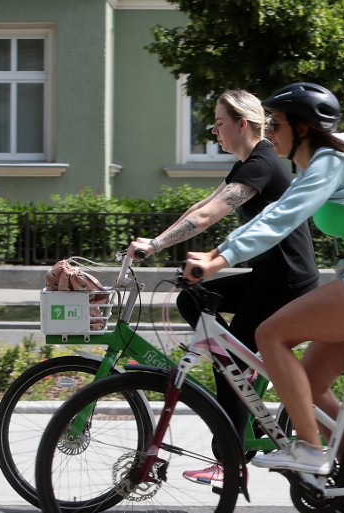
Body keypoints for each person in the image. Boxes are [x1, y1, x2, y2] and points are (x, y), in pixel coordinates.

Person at [183, 82, 344, 513]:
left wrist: (218, 258)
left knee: (270, 335)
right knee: (313, 386)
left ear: (302, 128)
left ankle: (312, 452)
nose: (269, 132)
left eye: (275, 125)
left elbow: (278, 219)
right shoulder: (339, 156)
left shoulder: (329, 163)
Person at [127, 89, 319, 486]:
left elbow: (212, 216)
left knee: (231, 364)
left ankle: (232, 462)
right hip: (268, 277)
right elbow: (200, 207)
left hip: (285, 282)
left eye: (218, 122)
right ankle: (233, 367)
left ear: (241, 125)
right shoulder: (248, 164)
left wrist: (157, 245)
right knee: (192, 300)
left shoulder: (262, 164)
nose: (213, 130)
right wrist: (154, 242)